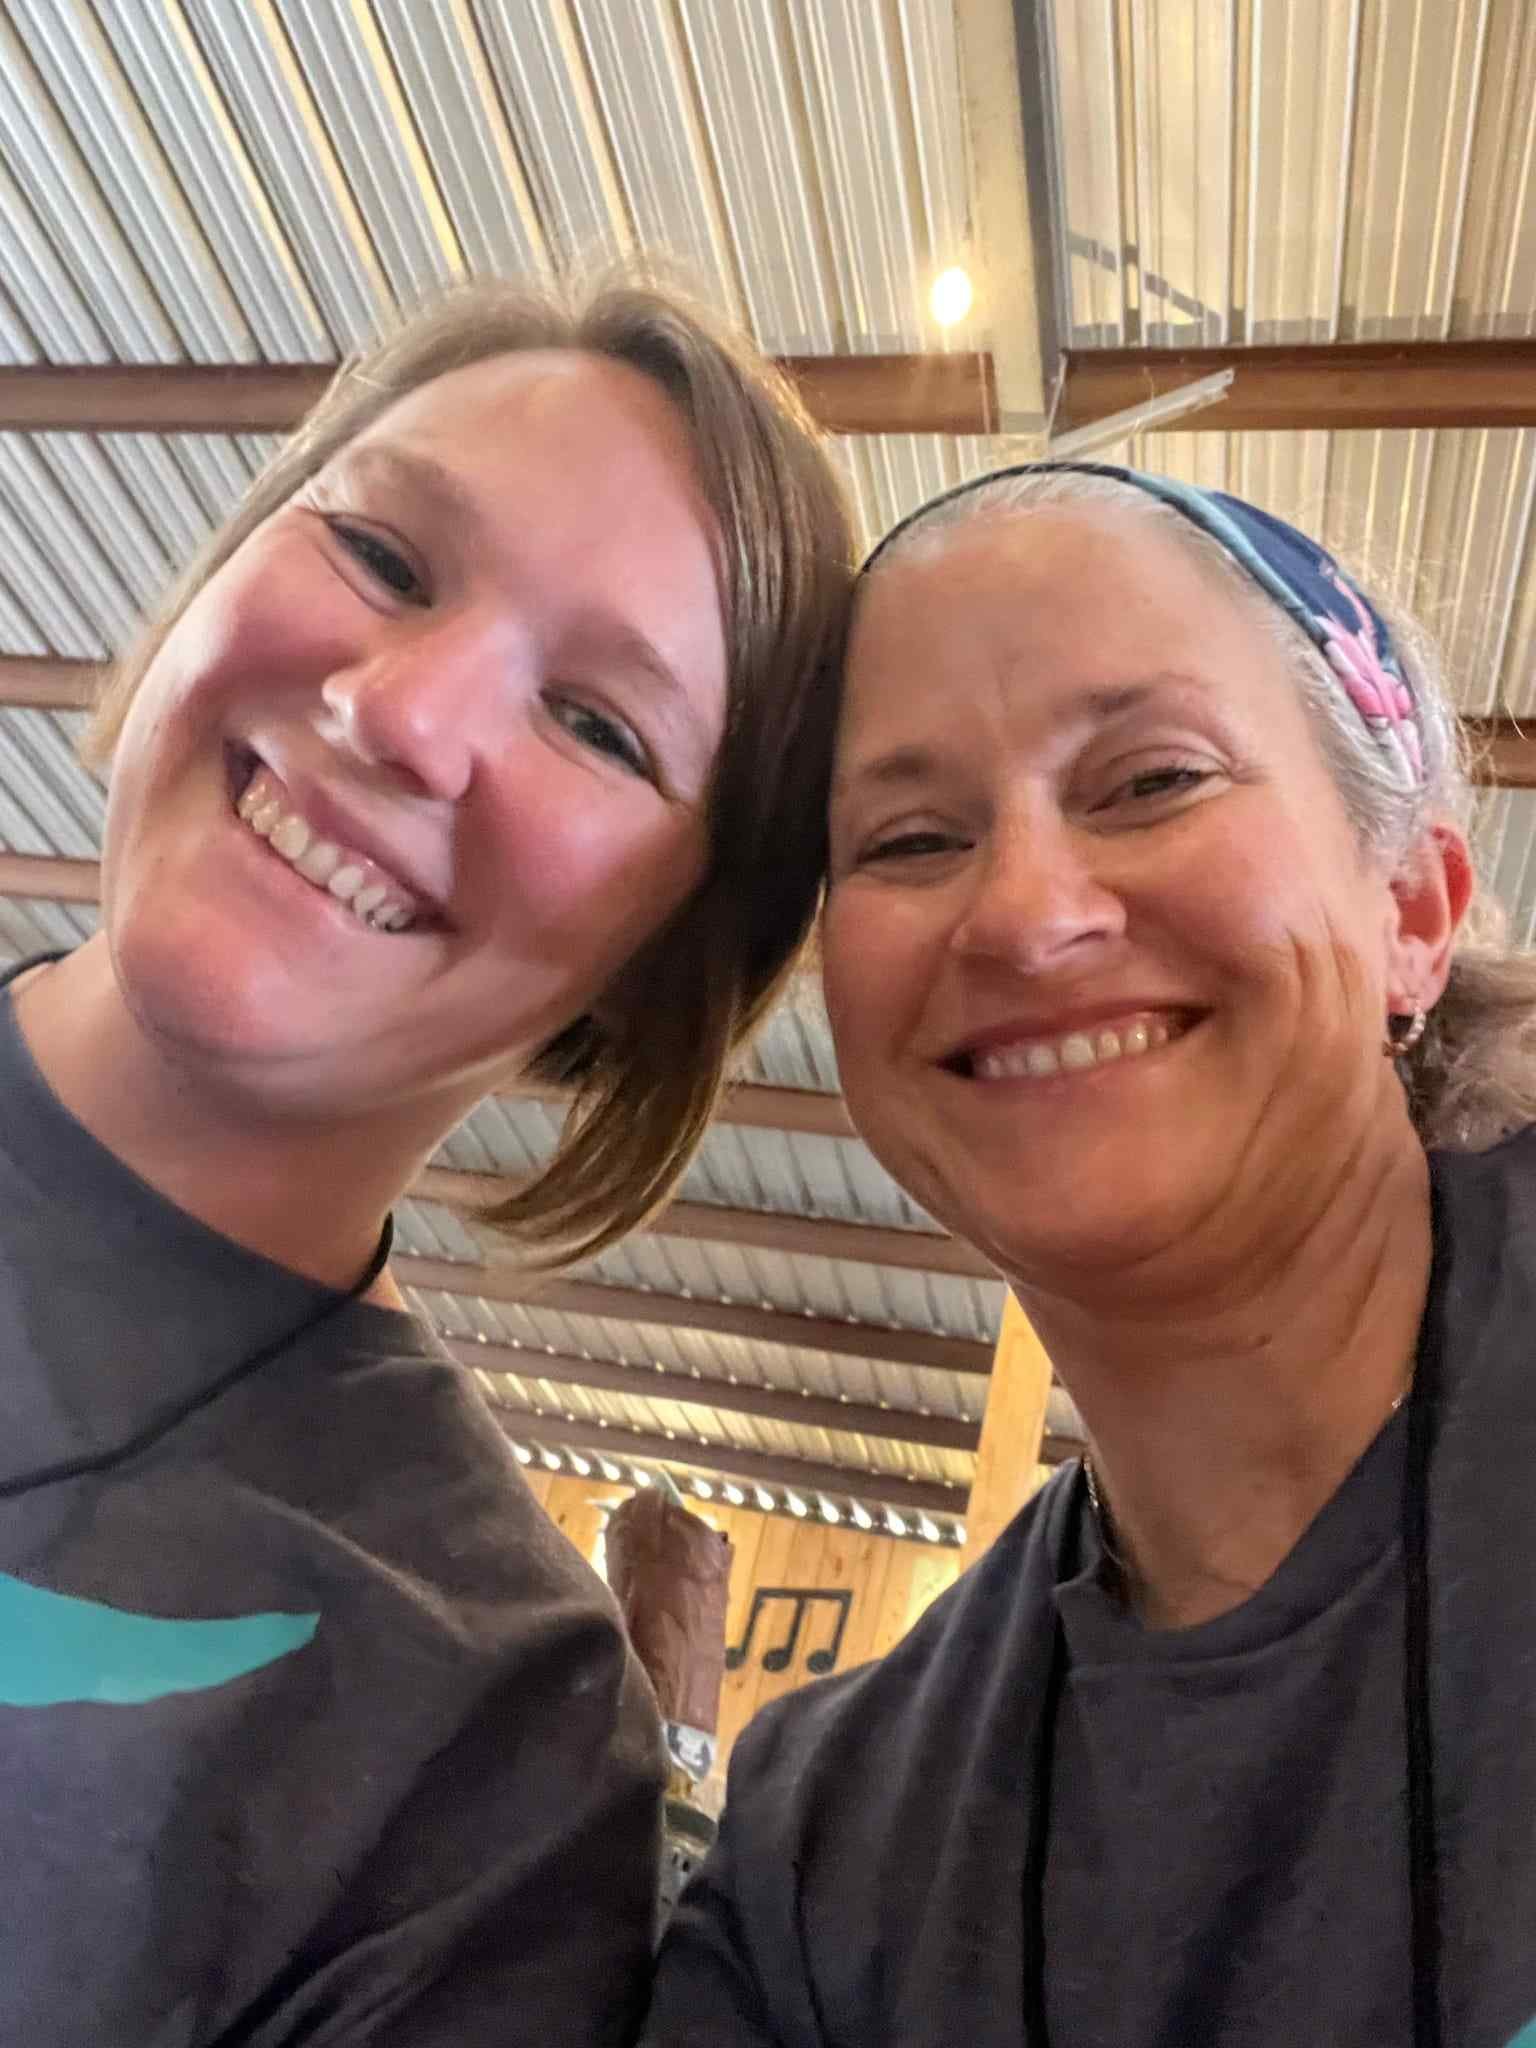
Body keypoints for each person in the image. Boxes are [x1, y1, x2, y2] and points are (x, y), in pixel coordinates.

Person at [2, 273, 853, 2045]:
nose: (404, 713)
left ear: (668, 968)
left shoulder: (487, 1760)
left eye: (600, 726)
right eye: (385, 557)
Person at [642, 461, 1536, 2048]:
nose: (1024, 914)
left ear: (1413, 907)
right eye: (911, 839)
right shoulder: (828, 1863)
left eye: (1152, 781)